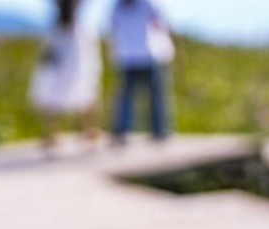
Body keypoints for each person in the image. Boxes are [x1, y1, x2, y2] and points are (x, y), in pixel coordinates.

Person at [29, 0, 102, 149]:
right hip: (72, 46)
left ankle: (53, 133)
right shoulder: (75, 23)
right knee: (81, 88)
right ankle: (85, 130)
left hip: (67, 46)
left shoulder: (59, 25)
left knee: (62, 92)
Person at [110, 0, 175, 143]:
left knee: (127, 96)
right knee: (155, 95)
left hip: (128, 55)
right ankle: (159, 130)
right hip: (148, 54)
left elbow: (113, 27)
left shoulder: (118, 5)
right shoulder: (149, 3)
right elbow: (161, 25)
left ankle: (122, 130)